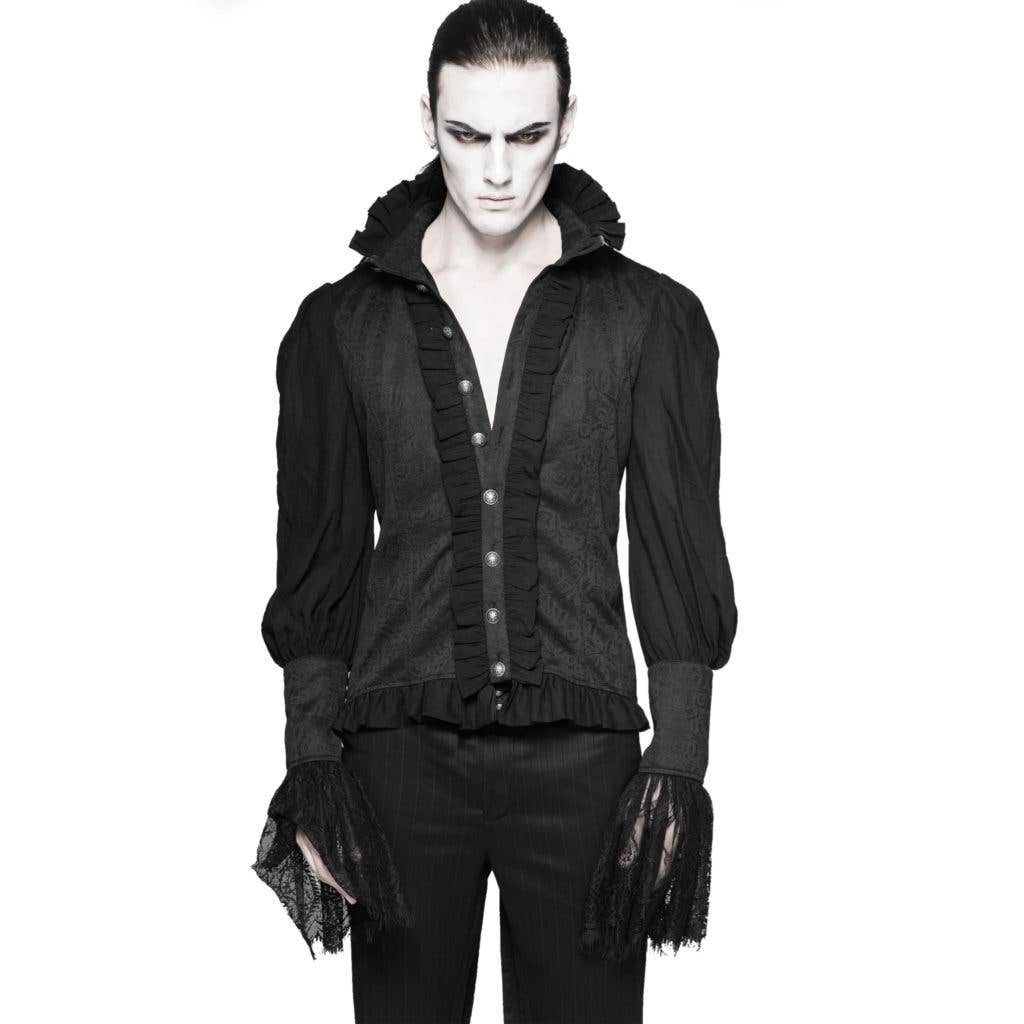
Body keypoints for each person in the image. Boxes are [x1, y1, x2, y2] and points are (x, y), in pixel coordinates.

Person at [251, 1, 738, 1020]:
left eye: (527, 134)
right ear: (426, 119)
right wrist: (313, 762)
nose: (499, 171)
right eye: (468, 135)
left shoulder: (650, 318)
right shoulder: (341, 325)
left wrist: (677, 763)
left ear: (569, 122)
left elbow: (675, 544)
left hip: (585, 764)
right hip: (396, 760)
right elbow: (321, 559)